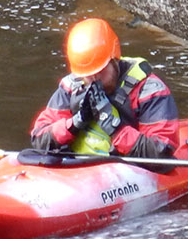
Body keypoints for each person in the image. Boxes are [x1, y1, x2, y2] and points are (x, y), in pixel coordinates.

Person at [29, 17, 179, 159]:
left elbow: (161, 154)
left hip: (128, 168)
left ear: (114, 59)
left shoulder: (149, 90)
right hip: (78, 166)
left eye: (100, 71)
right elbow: (39, 139)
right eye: (88, 75)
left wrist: (116, 129)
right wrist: (75, 123)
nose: (94, 79)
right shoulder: (71, 87)